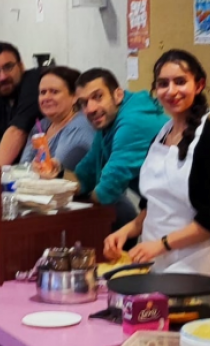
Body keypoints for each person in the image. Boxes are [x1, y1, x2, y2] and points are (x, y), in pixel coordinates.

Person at [102, 50, 210, 276]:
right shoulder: (161, 135)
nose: (171, 91)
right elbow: (155, 205)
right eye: (163, 84)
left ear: (198, 85)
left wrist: (161, 244)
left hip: (189, 265)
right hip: (152, 260)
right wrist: (128, 230)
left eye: (180, 82)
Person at [72, 68, 169, 230]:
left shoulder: (132, 122)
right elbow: (84, 176)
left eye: (98, 96)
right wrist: (57, 173)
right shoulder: (107, 124)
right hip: (165, 211)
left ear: (118, 95)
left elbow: (106, 192)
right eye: (83, 103)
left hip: (203, 216)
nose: (90, 109)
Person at [20, 67, 95, 177]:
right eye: (42, 92)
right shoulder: (41, 125)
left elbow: (58, 172)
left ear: (74, 96)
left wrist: (34, 170)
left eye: (54, 92)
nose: (46, 97)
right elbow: (24, 166)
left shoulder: (81, 126)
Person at [0, 42, 41, 163]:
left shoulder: (34, 83)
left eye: (8, 67)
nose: (3, 77)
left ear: (21, 67)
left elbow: (17, 132)